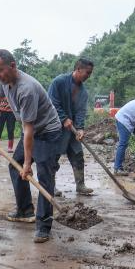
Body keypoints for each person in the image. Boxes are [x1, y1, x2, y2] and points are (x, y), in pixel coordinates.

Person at [0, 49, 63, 243]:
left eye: (0, 70)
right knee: (15, 165)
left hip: (47, 132)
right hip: (31, 130)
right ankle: (25, 210)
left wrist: (28, 163)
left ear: (12, 66)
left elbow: (29, 130)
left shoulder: (26, 89)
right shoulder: (4, 82)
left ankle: (44, 225)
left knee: (44, 176)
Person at [47, 58, 94, 196]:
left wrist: (80, 128)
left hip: (72, 129)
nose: (88, 76)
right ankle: (51, 186)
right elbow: (52, 102)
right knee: (53, 157)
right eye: (87, 72)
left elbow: (81, 111)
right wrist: (63, 118)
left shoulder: (83, 92)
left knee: (78, 155)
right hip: (56, 127)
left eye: (90, 74)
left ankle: (80, 185)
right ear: (78, 69)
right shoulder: (59, 82)